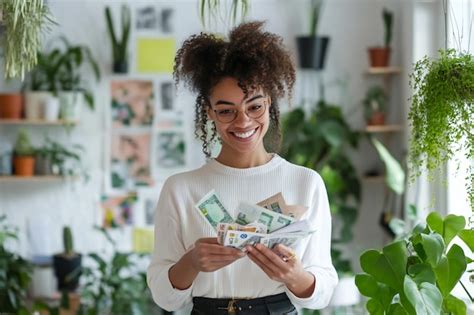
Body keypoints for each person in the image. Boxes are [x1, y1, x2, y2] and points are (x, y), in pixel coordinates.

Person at [147, 21, 338, 314]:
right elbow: (164, 297)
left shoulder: (305, 182)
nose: (244, 122)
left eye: (254, 106)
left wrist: (294, 277)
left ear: (269, 103)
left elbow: (322, 289)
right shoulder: (181, 188)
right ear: (209, 112)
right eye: (226, 111)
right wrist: (193, 262)